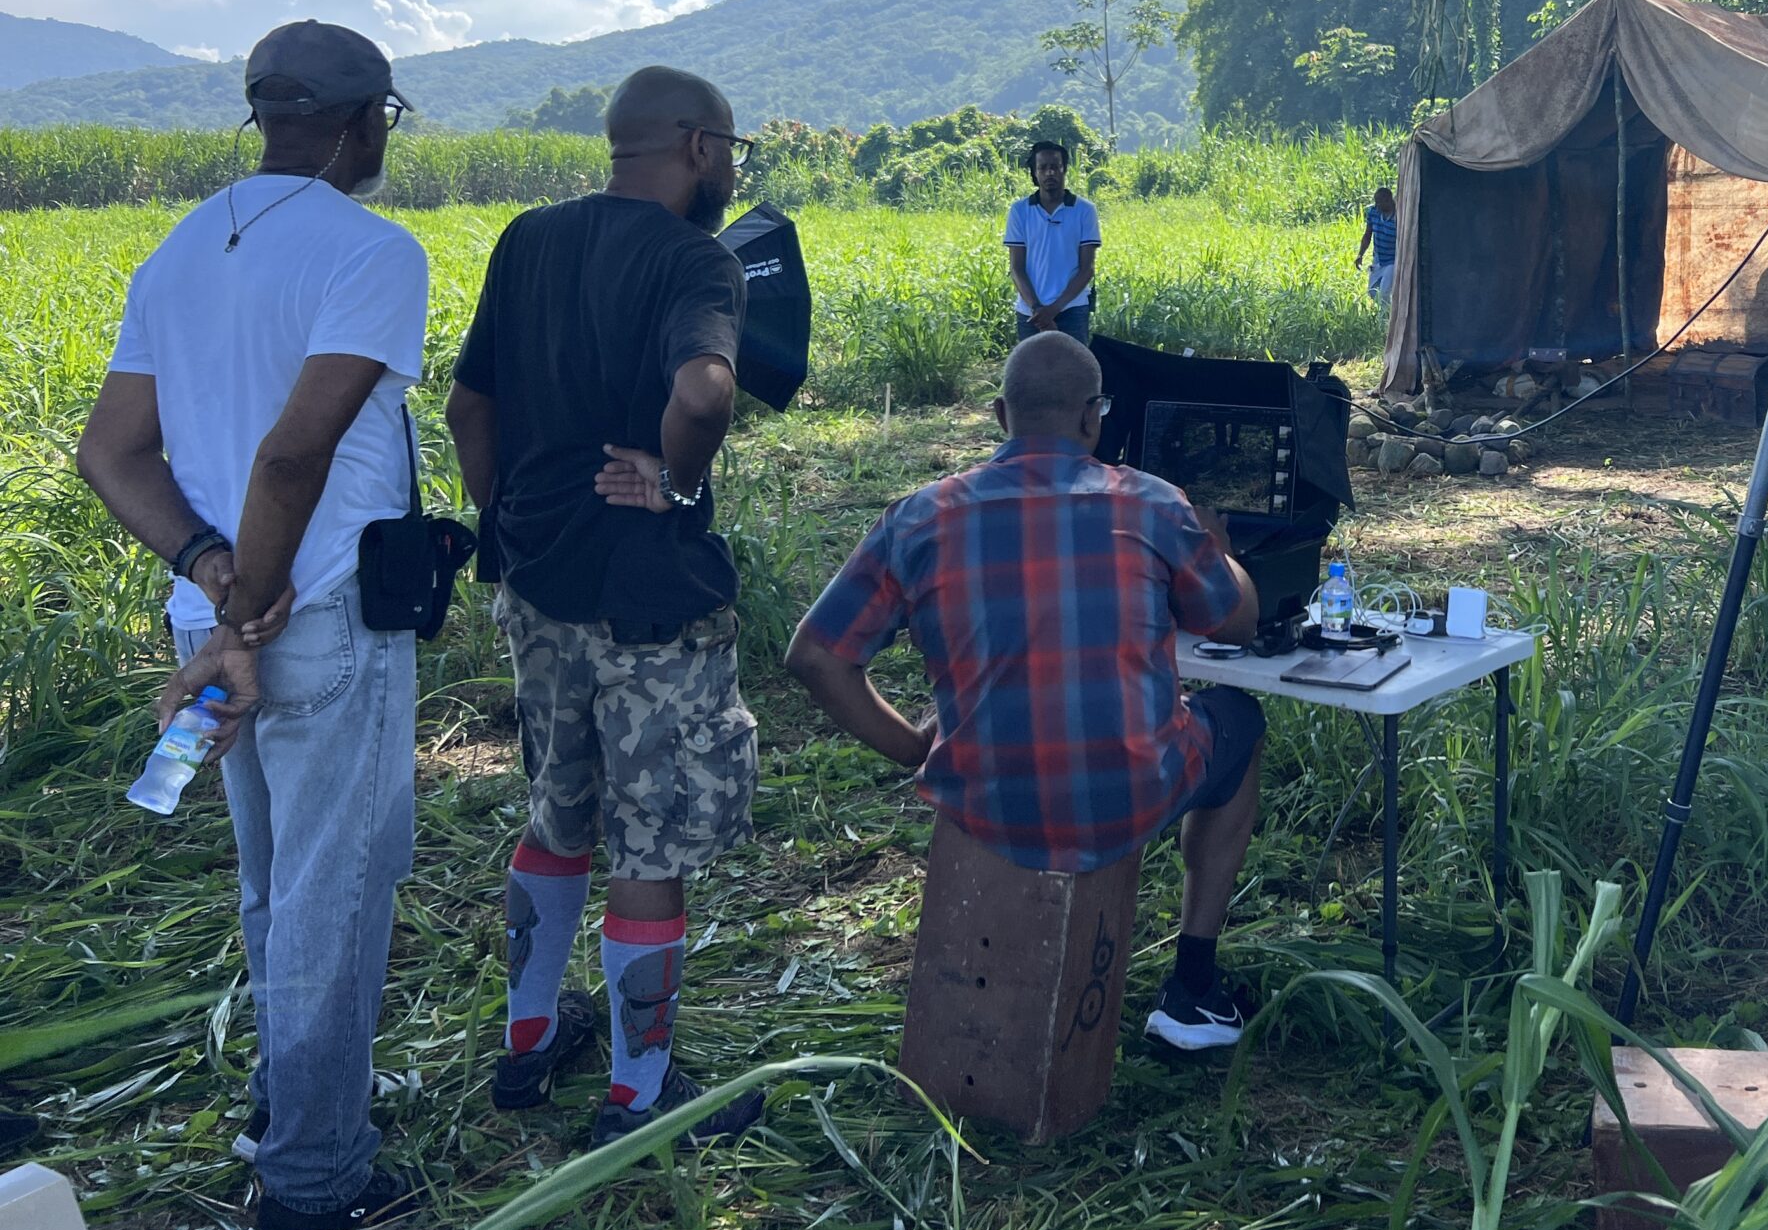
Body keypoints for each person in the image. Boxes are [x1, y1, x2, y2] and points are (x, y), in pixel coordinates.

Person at [75, 21, 429, 1230]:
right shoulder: (373, 253)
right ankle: (315, 1184)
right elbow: (294, 451)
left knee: (277, 883)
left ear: (264, 116)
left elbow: (112, 452)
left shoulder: (179, 251)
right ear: (361, 123)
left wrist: (207, 570)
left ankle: (286, 1113)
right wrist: (245, 611)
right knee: (337, 888)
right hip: (312, 617)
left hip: (223, 611)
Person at [444, 66, 765, 1150]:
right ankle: (639, 1090)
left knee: (555, 813)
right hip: (645, 602)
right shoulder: (696, 259)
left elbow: (467, 404)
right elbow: (706, 390)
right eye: (731, 150)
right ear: (699, 149)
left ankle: (528, 1041)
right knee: (649, 841)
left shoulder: (528, 238)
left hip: (537, 588)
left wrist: (511, 522)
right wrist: (674, 480)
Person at [786, 332, 1267, 1049]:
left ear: (999, 415)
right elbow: (1236, 620)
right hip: (1129, 793)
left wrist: (915, 748)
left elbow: (816, 657)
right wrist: (1221, 552)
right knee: (1240, 721)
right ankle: (1194, 986)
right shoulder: (1154, 504)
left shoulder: (918, 515)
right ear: (1092, 418)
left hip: (982, 798)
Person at [1005, 140, 1101, 344]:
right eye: (1043, 168)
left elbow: (1087, 269)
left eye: (1055, 167)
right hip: (1030, 312)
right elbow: (1016, 268)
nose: (1050, 173)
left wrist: (1054, 309)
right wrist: (1038, 310)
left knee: (1074, 371)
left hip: (1072, 309)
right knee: (1032, 373)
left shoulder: (1084, 210)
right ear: (1034, 172)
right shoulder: (1020, 211)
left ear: (1064, 169)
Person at [1355, 184, 1398, 307]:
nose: (1377, 206)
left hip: (1393, 259)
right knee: (1372, 291)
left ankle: (1386, 318)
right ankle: (1387, 312)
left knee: (1384, 292)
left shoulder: (1398, 216)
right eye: (1376, 202)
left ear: (1389, 201)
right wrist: (1360, 254)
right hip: (1378, 258)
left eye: (1379, 203)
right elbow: (1367, 235)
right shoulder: (1374, 212)